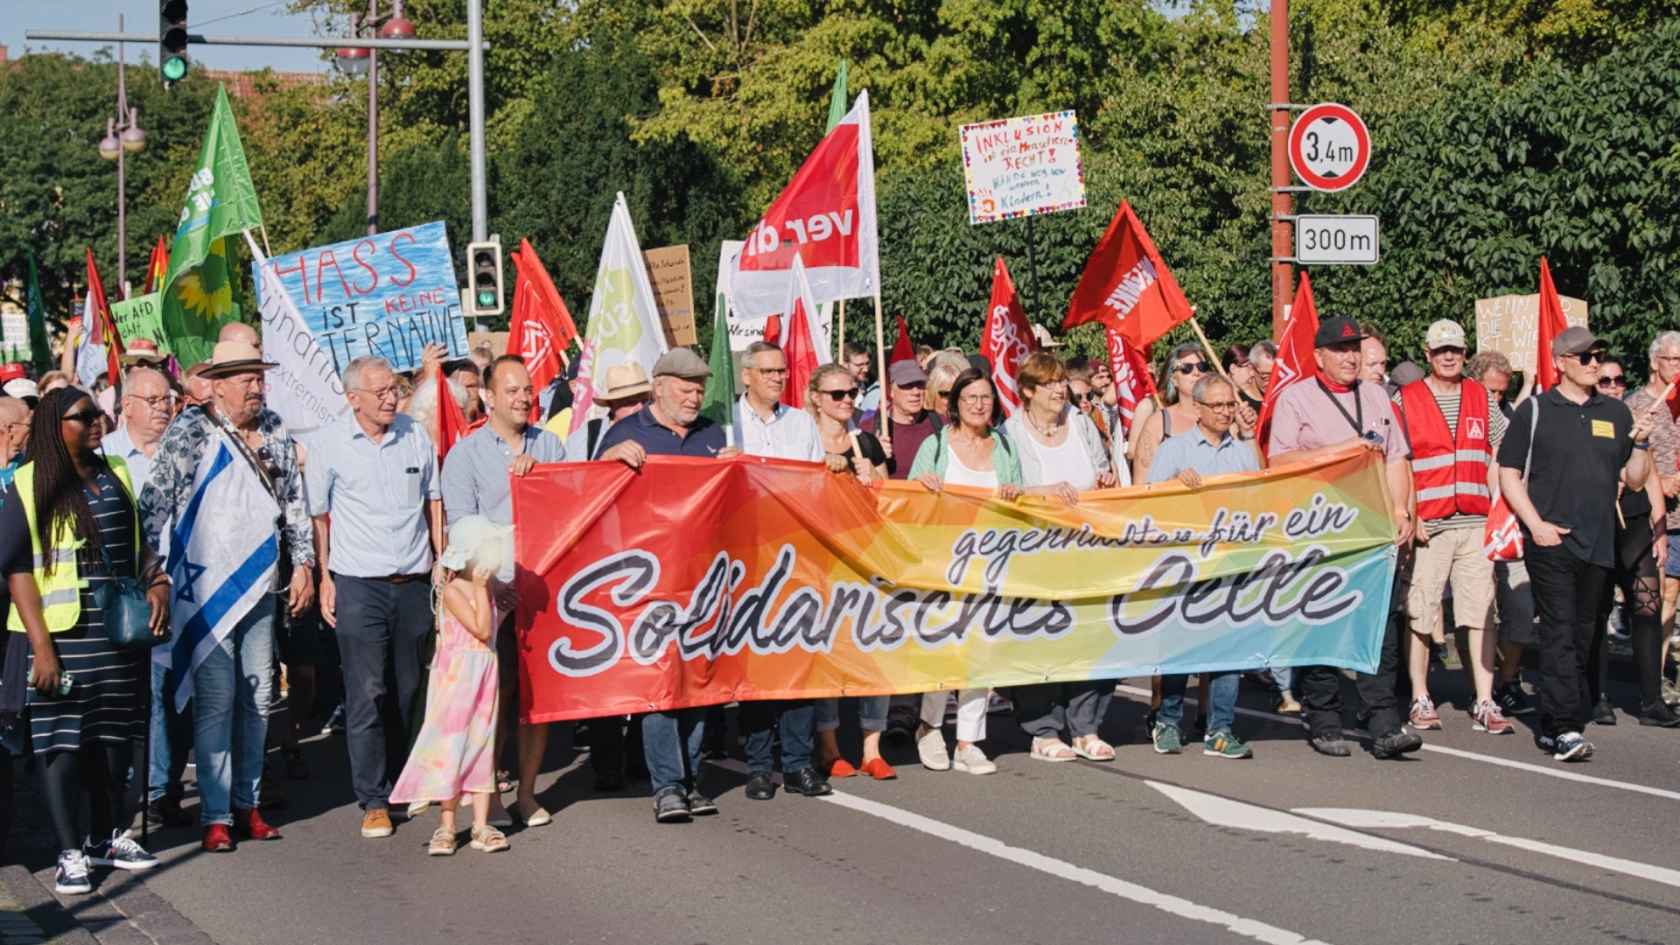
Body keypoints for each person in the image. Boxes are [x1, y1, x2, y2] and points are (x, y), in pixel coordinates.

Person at [140, 340, 312, 850]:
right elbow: (154, 505)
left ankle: (248, 804)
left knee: (259, 695)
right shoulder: (190, 431)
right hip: (207, 589)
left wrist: (302, 564)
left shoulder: (276, 428)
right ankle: (215, 815)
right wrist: (153, 573)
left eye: (259, 378)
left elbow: (293, 504)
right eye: (246, 379)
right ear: (217, 384)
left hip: (260, 584)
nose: (257, 387)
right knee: (216, 699)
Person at [2, 388, 167, 894]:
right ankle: (69, 849)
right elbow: (16, 569)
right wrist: (42, 648)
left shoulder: (114, 468)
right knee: (63, 743)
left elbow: (138, 544)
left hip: (116, 628)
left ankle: (104, 836)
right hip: (60, 635)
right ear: (56, 425)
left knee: (114, 740)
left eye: (99, 414)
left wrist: (156, 579)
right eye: (84, 416)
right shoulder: (28, 484)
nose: (98, 421)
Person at [594, 348, 742, 822]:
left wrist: (735, 469)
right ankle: (667, 786)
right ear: (658, 386)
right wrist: (608, 460)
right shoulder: (624, 432)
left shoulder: (711, 434)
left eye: (700, 386)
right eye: (685, 385)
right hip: (649, 582)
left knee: (696, 683)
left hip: (702, 580)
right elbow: (590, 499)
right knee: (660, 683)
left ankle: (691, 778)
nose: (695, 394)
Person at [1497, 326, 1654, 762]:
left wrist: (1640, 441)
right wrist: (1536, 525)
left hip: (1600, 541)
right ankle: (1565, 727)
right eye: (1585, 357)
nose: (1594, 364)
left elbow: (1635, 478)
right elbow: (1508, 472)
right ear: (1561, 362)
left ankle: (1552, 725)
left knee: (1586, 635)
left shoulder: (1617, 414)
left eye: (1598, 357)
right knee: (1560, 632)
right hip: (1551, 543)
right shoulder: (1536, 410)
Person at [1267, 316, 1421, 759]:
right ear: (1319, 357)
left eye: (1355, 349)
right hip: (1323, 529)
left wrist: (1399, 510)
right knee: (1324, 624)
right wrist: (1340, 451)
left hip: (1373, 529)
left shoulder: (1376, 395)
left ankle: (1384, 722)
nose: (1350, 357)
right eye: (1340, 349)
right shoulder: (1296, 398)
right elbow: (1280, 462)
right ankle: (1324, 718)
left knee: (1380, 630)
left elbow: (1395, 456)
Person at [307, 355, 443, 838]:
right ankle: (374, 797)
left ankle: (404, 778)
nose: (391, 397)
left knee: (407, 689)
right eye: (381, 391)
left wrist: (441, 564)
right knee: (367, 691)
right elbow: (319, 517)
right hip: (358, 584)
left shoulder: (415, 434)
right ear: (353, 398)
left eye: (394, 389)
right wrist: (325, 577)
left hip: (412, 583)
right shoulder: (328, 445)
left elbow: (434, 501)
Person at [441, 356, 568, 826]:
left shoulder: (551, 445)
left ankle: (528, 793)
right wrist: (491, 581)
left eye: (528, 390)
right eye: (512, 391)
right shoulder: (466, 456)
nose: (523, 398)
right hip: (492, 597)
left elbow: (577, 503)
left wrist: (546, 479)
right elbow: (461, 531)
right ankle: (486, 789)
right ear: (488, 398)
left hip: (546, 592)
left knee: (541, 697)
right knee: (497, 694)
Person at [1392, 320, 1512, 735]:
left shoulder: (1481, 396)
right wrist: (1410, 511)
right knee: (1422, 611)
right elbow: (1399, 461)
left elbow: (1501, 449)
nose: (1448, 356)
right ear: (1427, 353)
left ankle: (1484, 699)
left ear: (1465, 354)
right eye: (1441, 350)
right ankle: (1420, 696)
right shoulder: (1406, 399)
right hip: (1432, 524)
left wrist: (1500, 506)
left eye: (1456, 351)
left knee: (1480, 611)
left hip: (1476, 522)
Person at [728, 342, 835, 801]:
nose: (777, 378)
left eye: (782, 371)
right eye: (767, 371)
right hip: (746, 558)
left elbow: (813, 483)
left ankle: (796, 764)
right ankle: (757, 766)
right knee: (756, 668)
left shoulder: (799, 423)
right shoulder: (726, 423)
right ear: (746, 375)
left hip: (795, 556)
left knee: (796, 662)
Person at [1000, 353, 1119, 762]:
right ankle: (1043, 730)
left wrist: (1105, 480)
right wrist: (1047, 492)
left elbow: (1103, 472)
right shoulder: (1011, 432)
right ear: (1027, 391)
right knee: (1042, 641)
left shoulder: (1082, 422)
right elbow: (1007, 490)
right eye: (1048, 384)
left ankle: (1086, 726)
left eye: (1061, 382)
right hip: (1037, 553)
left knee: (1093, 636)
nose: (1058, 390)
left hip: (1089, 550)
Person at [907, 368, 1023, 776]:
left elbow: (1020, 507)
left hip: (990, 565)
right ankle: (930, 726)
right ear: (954, 403)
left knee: (980, 654)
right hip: (942, 567)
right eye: (970, 397)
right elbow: (908, 501)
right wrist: (922, 481)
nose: (978, 405)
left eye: (985, 398)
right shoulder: (936, 444)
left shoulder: (1005, 448)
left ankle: (969, 741)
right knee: (943, 649)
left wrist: (1014, 495)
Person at [1145, 374, 1263, 758]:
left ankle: (1221, 728)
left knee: (1229, 650)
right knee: (1181, 647)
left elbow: (1256, 501)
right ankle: (1168, 721)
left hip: (1229, 564)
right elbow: (1148, 505)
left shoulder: (1242, 452)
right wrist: (1173, 484)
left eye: (1230, 405)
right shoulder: (1174, 450)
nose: (1227, 412)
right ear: (1197, 408)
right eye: (1218, 405)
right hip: (1185, 565)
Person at [391, 515, 511, 856]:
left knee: (481, 743)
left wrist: (497, 604)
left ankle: (480, 823)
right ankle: (446, 824)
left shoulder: (483, 587)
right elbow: (482, 630)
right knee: (451, 747)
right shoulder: (456, 590)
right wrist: (478, 590)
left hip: (483, 673)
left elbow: (489, 632)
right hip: (458, 679)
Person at [804, 364, 895, 779]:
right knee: (829, 653)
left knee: (876, 649)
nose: (847, 400)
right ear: (816, 397)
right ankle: (828, 745)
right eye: (837, 393)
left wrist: (870, 478)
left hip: (864, 557)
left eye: (852, 392)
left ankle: (871, 746)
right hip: (820, 558)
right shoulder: (803, 442)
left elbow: (888, 500)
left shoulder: (867, 442)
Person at [1595, 355, 1678, 726]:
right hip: (1597, 524)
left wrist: (1659, 529)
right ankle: (1597, 696)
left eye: (1619, 380)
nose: (1613, 386)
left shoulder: (1631, 417)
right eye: (1605, 380)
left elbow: (1650, 477)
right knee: (1595, 613)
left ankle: (1651, 702)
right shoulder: (1585, 419)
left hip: (1635, 522)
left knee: (1648, 605)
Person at [1466, 349, 1534, 716]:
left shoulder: (1510, 419)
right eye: (1490, 391)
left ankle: (1508, 681)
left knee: (1521, 608)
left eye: (1502, 393)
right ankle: (1481, 687)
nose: (1496, 400)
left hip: (1508, 527)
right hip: (1472, 524)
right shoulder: (1460, 414)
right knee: (1476, 610)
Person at [1633, 331, 1680, 708]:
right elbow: (1627, 465)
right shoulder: (1637, 405)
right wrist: (1661, 483)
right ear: (1655, 362)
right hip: (1659, 520)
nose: (1679, 367)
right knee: (1664, 597)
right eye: (1673, 360)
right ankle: (1657, 679)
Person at [1130, 344, 1211, 485]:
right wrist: (1173, 482)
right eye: (1187, 368)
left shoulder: (1222, 415)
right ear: (1173, 379)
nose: (1196, 373)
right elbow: (1141, 485)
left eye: (1202, 366)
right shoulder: (1157, 423)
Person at [860, 361, 941, 480]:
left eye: (919, 384)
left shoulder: (942, 425)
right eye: (907, 385)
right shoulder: (868, 430)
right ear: (891, 391)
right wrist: (875, 454)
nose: (915, 392)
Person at [565, 363, 651, 463]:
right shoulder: (587, 438)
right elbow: (574, 477)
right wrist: (606, 459)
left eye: (645, 401)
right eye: (630, 403)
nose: (640, 408)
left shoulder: (664, 430)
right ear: (612, 405)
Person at [1224, 344, 1264, 413]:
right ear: (1233, 369)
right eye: (1249, 368)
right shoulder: (1220, 400)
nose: (1252, 374)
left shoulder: (1243, 401)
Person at [843, 342, 880, 415]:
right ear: (845, 364)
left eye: (867, 364)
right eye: (860, 365)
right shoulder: (836, 393)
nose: (866, 369)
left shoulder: (872, 389)